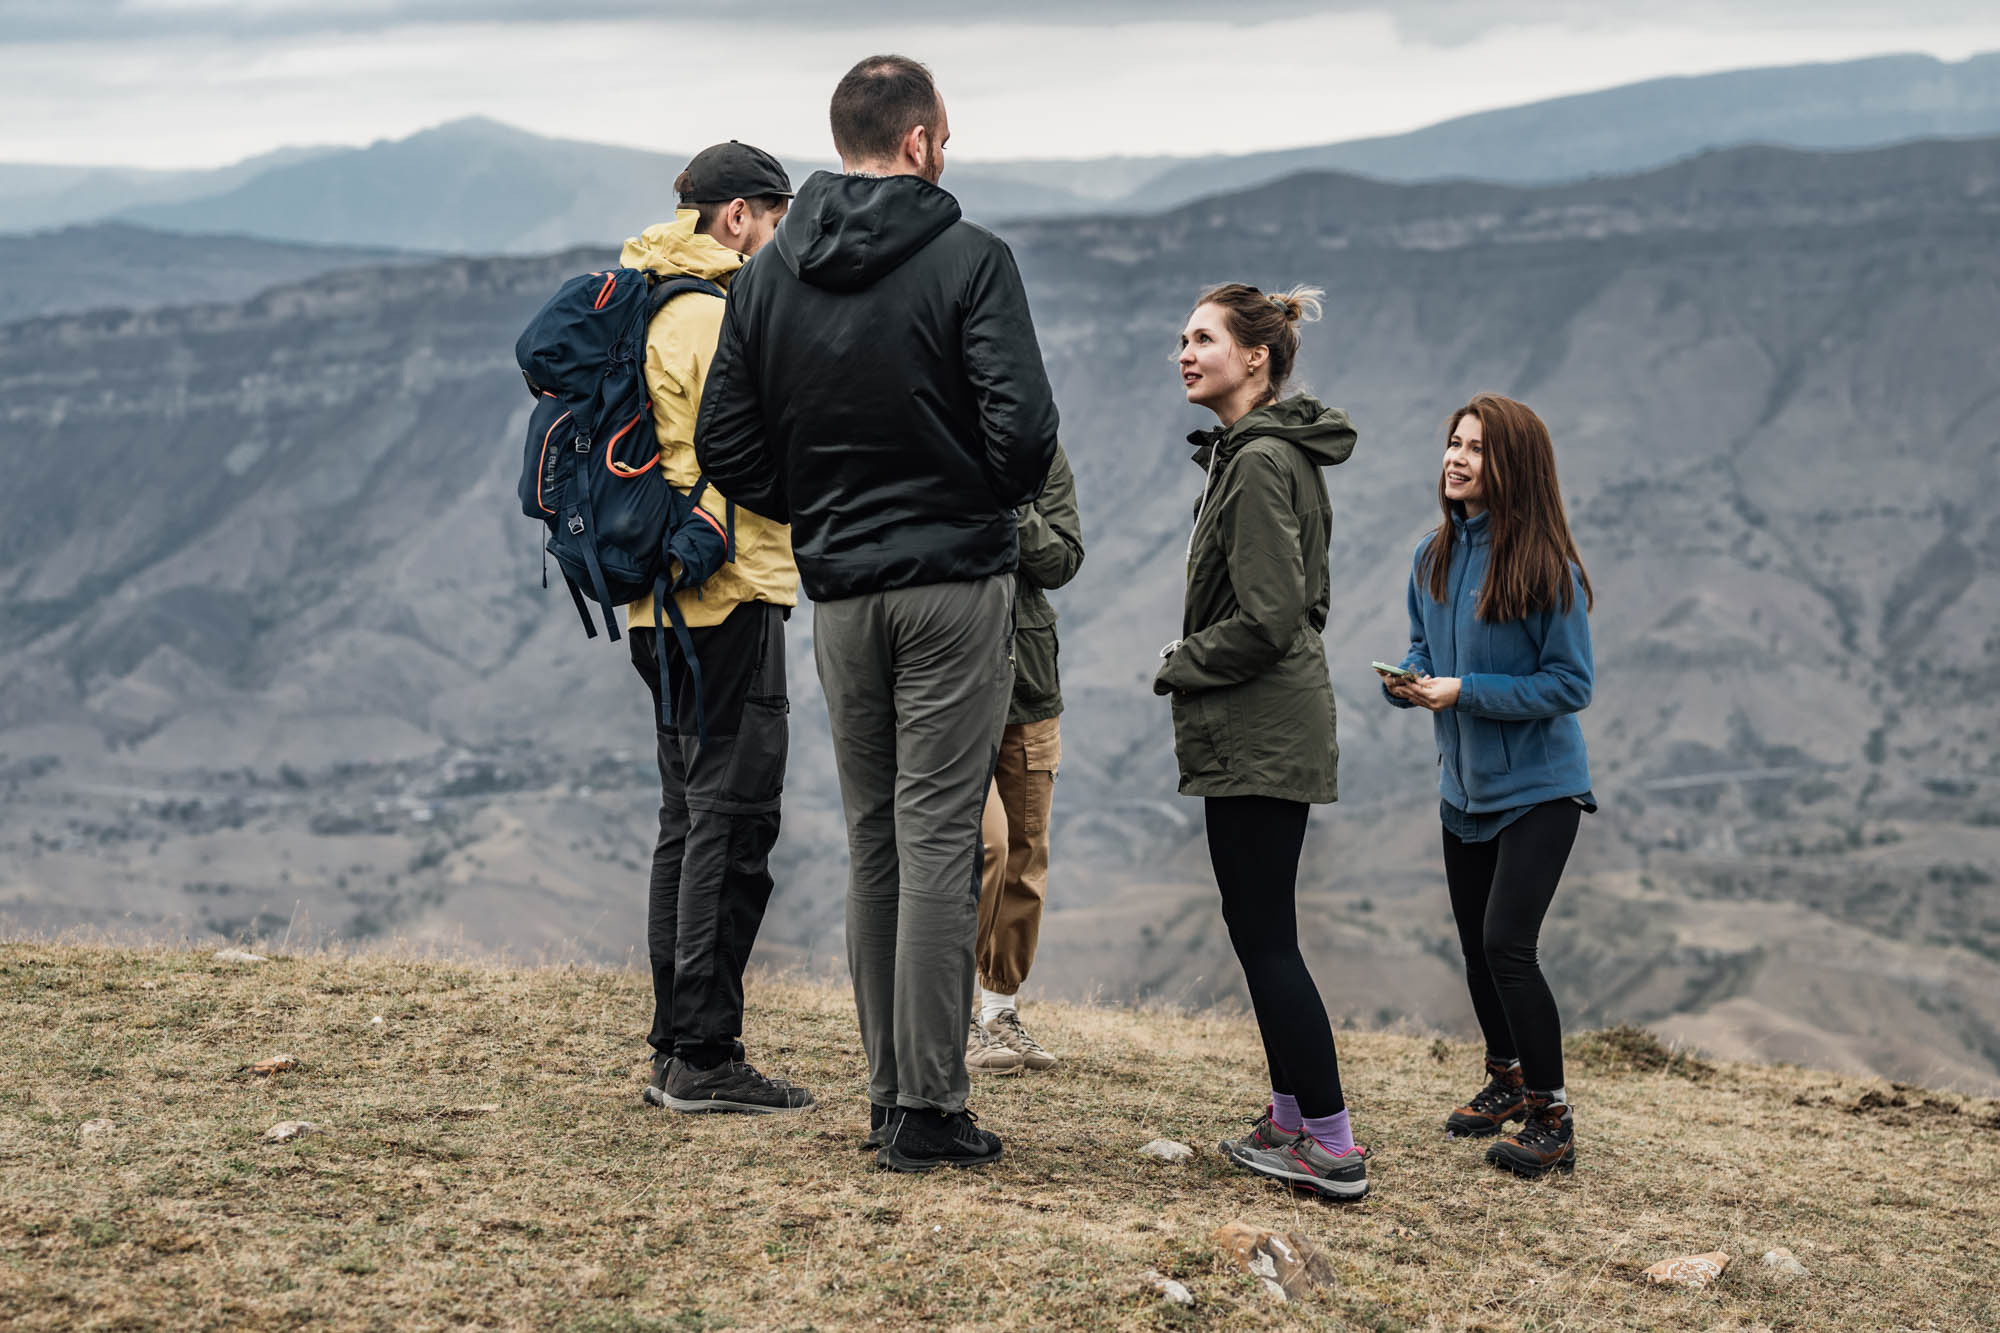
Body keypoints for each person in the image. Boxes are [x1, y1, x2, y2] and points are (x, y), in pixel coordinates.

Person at [695, 55, 1060, 1171]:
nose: (945, 148)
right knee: (941, 836)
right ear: (915, 142)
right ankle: (928, 1108)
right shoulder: (971, 260)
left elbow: (726, 445)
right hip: (953, 585)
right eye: (940, 133)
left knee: (874, 842)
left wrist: (823, 509)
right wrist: (961, 501)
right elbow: (1024, 438)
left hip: (841, 591)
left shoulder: (765, 278)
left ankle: (888, 1097)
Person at [1153, 283, 1367, 1201]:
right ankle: (1289, 1117)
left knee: (1268, 935)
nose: (1185, 352)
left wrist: (1182, 659)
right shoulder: (1266, 454)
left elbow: (1274, 615)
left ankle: (1331, 1142)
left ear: (1256, 359)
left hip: (1259, 721)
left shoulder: (1255, 461)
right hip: (1269, 719)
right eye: (1184, 338)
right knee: (1256, 926)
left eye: (1203, 338)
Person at [624, 143, 814, 1116]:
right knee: (730, 824)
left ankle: (676, 1045)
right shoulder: (712, 314)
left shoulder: (645, 295)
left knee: (684, 818)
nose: (774, 243)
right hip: (729, 591)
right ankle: (703, 1054)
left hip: (656, 601)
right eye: (772, 222)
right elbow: (758, 447)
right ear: (736, 216)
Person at [1378, 392, 1595, 1179]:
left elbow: (1571, 683)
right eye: (1454, 444)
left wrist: (1464, 690)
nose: (1457, 458)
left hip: (1541, 791)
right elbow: (1422, 646)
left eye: (1477, 448)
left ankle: (1553, 1117)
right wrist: (1408, 680)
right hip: (1461, 790)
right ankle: (1504, 1080)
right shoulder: (1428, 558)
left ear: (1515, 466)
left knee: (1508, 946)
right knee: (1476, 949)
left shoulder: (1547, 568)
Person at [966, 443, 1083, 1076]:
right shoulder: (929, 422)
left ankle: (998, 1010)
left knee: (1025, 850)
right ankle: (948, 1013)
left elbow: (1061, 557)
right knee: (976, 847)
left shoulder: (1037, 453)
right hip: (950, 678)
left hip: (1030, 683)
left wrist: (1010, 501)